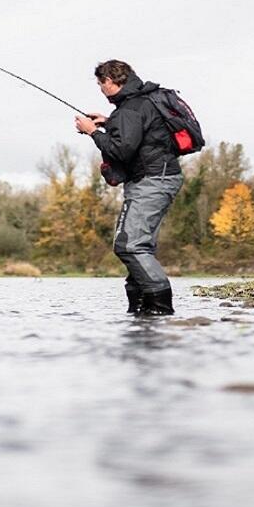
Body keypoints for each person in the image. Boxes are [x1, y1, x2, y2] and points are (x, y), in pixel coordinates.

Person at [74, 60, 183, 316]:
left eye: (101, 84)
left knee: (129, 245)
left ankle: (159, 306)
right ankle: (140, 310)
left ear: (110, 81)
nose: (101, 89)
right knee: (139, 244)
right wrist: (108, 122)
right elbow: (139, 131)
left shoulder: (131, 108)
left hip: (152, 180)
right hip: (157, 178)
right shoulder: (140, 101)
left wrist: (92, 132)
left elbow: (121, 150)